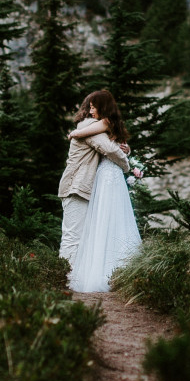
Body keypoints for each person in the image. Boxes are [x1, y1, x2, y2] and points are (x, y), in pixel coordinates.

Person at [61, 88, 143, 293]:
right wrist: (127, 165)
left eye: (94, 107)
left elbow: (113, 144)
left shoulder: (95, 126)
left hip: (81, 186)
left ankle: (71, 278)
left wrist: (126, 149)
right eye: (89, 107)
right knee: (73, 236)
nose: (91, 111)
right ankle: (66, 279)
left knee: (81, 234)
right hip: (76, 187)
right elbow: (109, 149)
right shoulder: (90, 126)